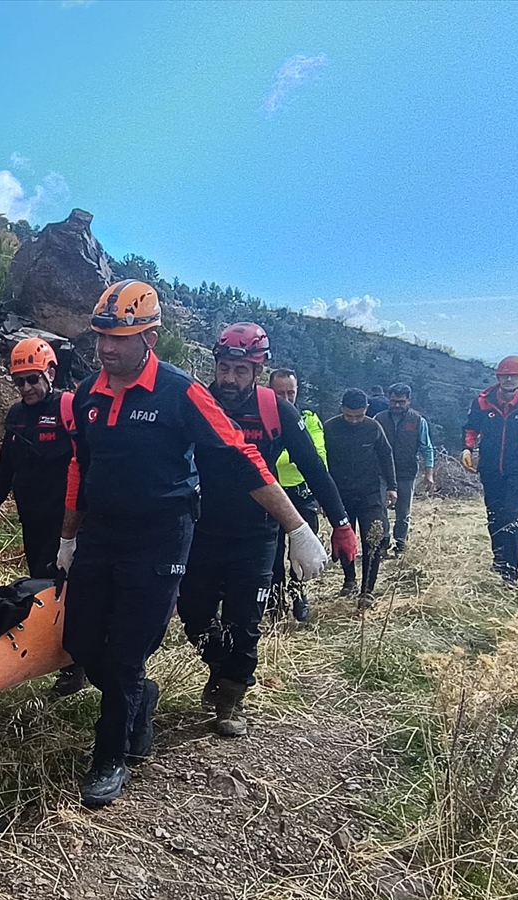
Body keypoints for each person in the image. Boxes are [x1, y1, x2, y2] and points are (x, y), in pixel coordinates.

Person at [58, 282, 329, 807]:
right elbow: (81, 467)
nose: (107, 347)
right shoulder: (88, 393)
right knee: (85, 643)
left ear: (151, 337)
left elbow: (239, 457)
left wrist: (297, 528)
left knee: (127, 652)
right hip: (102, 536)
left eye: (121, 336)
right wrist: (68, 537)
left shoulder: (181, 393)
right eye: (102, 335)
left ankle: (111, 756)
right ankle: (138, 703)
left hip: (161, 537)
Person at [180, 327, 356, 735]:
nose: (229, 379)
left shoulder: (276, 409)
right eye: (224, 368)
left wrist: (340, 524)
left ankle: (230, 698)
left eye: (240, 370)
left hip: (258, 533)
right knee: (193, 615)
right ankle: (222, 665)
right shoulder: (196, 402)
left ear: (257, 370)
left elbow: (314, 467)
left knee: (246, 620)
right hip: (201, 529)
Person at [0, 337, 86, 696]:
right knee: (44, 587)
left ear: (50, 373)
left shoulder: (69, 407)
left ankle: (75, 666)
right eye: (19, 381)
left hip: (68, 521)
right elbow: (4, 469)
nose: (26, 388)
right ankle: (54, 657)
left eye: (32, 379)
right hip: (33, 520)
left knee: (65, 589)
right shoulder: (16, 416)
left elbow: (88, 464)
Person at [462, 356, 518, 588]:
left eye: (514, 375)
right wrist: (467, 448)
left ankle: (510, 572)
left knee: (510, 515)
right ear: (498, 378)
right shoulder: (483, 401)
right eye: (505, 375)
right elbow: (471, 427)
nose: (509, 379)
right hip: (490, 468)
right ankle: (499, 560)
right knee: (494, 515)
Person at [323, 390, 397, 608]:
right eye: (349, 416)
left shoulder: (373, 427)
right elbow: (320, 461)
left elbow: (386, 455)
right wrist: (323, 496)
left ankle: (367, 590)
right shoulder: (330, 428)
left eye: (359, 416)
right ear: (342, 409)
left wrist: (392, 487)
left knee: (372, 539)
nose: (354, 420)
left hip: (369, 492)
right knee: (345, 538)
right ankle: (349, 580)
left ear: (366, 409)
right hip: (340, 493)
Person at [268, 368, 331, 622]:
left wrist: (325, 495)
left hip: (303, 495)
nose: (286, 398)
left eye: (290, 392)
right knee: (272, 553)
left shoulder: (308, 419)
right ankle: (274, 600)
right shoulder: (261, 418)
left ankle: (298, 594)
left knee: (301, 550)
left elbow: (317, 456)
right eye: (279, 393)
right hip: (271, 495)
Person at [374, 383, 435, 555]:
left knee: (403, 512)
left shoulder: (417, 421)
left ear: (409, 400)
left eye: (401, 402)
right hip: (382, 473)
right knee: (380, 509)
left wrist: (428, 473)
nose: (397, 406)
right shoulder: (379, 419)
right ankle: (382, 542)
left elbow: (427, 448)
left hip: (406, 473)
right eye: (393, 401)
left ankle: (400, 544)